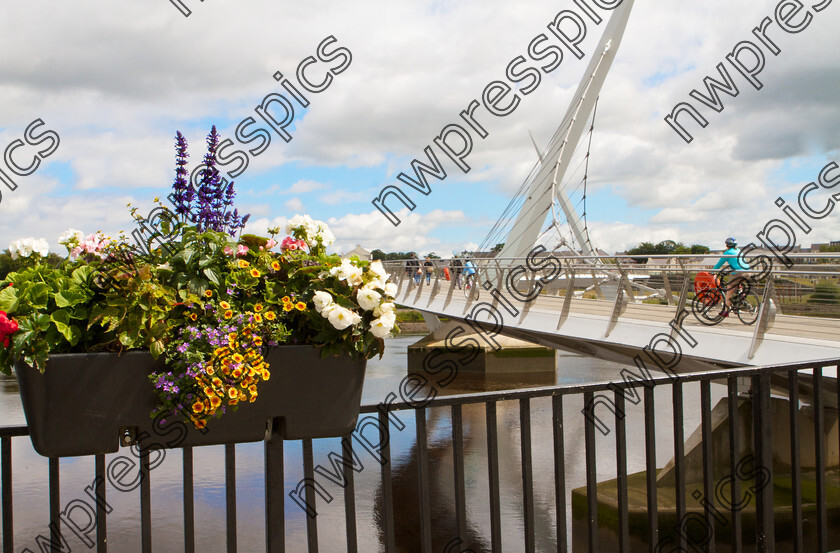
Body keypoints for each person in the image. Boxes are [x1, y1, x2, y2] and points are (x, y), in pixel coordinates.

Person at [712, 237, 750, 316]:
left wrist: (711, 272)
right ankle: (742, 295)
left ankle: (726, 311)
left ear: (727, 245)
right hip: (748, 271)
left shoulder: (727, 253)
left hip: (738, 272)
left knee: (729, 290)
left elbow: (719, 264)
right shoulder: (739, 250)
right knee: (738, 282)